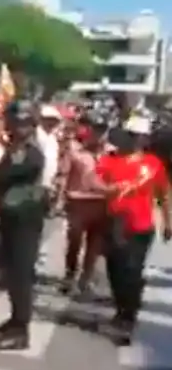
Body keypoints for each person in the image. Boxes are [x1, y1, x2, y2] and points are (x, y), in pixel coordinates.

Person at [0, 100, 47, 351]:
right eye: (15, 122)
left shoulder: (31, 151)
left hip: (24, 219)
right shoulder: (15, 147)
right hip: (11, 218)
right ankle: (15, 321)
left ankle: (20, 331)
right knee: (10, 273)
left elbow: (8, 174)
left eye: (22, 123)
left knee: (21, 275)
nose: (17, 127)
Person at [96, 117, 171, 345]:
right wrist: (109, 190)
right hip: (113, 223)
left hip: (140, 225)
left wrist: (168, 222)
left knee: (132, 270)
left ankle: (128, 317)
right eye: (132, 135)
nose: (136, 140)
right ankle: (122, 310)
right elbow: (95, 185)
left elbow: (163, 194)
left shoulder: (153, 164)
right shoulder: (109, 160)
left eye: (140, 136)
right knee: (115, 270)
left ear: (145, 139)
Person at [58, 112, 110, 296]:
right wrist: (60, 199)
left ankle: (86, 279)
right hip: (78, 201)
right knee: (74, 240)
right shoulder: (75, 152)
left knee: (95, 244)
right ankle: (70, 273)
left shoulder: (112, 153)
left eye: (102, 130)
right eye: (96, 130)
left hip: (101, 202)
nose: (99, 134)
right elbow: (64, 175)